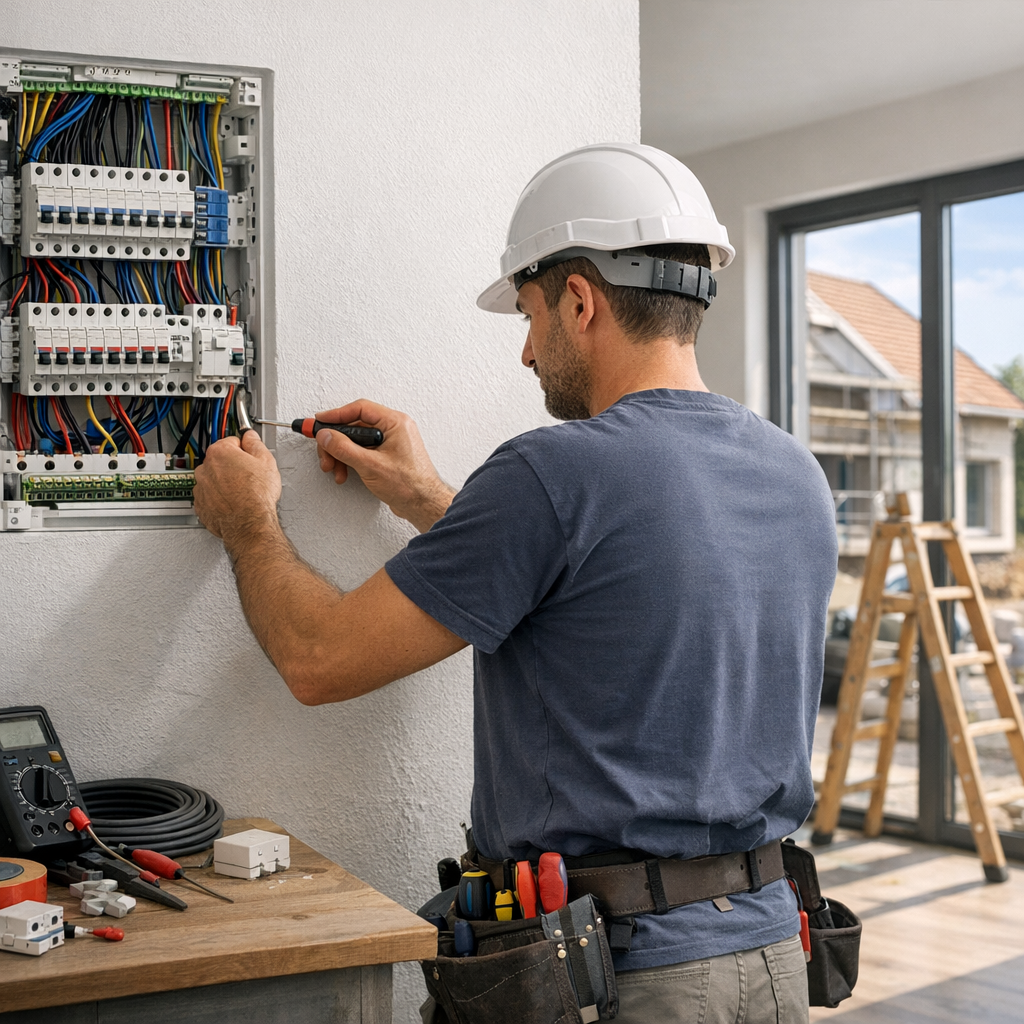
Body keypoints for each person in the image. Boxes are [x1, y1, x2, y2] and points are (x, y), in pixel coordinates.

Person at [192, 143, 838, 1024]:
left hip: (622, 977)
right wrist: (430, 500)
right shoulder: (794, 472)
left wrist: (248, 523)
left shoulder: (556, 471)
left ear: (580, 300)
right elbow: (611, 591)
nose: (527, 352)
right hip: (767, 955)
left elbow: (319, 659)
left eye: (529, 315)